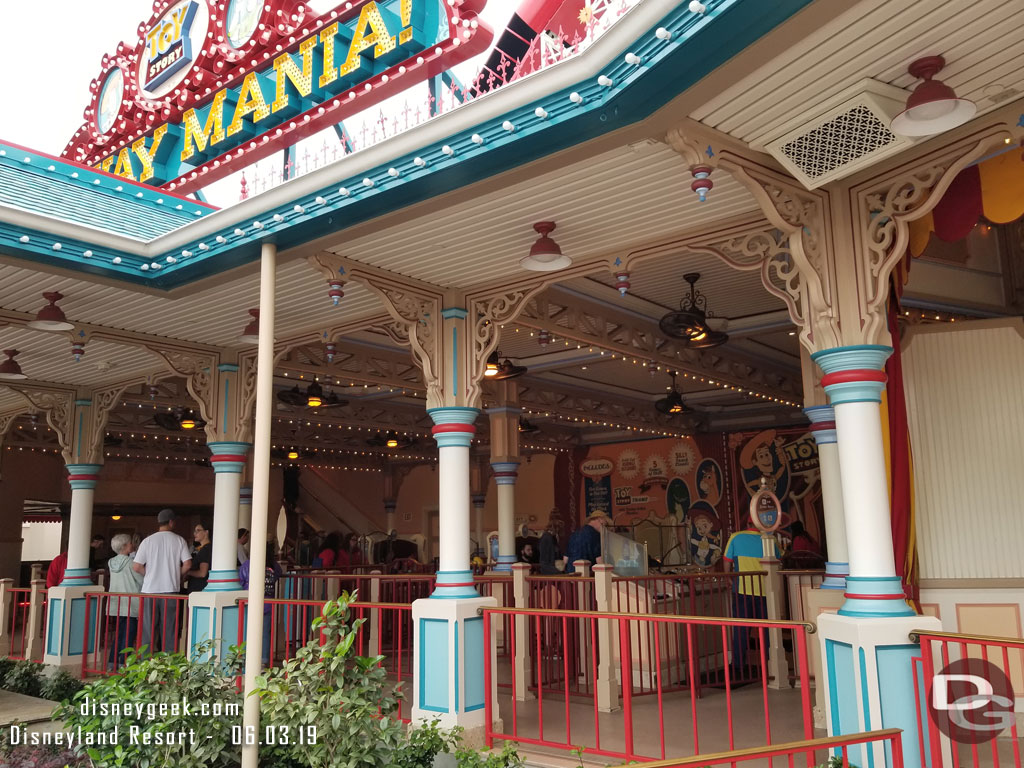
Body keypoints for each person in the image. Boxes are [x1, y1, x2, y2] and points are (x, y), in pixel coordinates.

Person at [723, 515, 780, 676]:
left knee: (740, 629)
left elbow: (727, 560)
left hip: (742, 590)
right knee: (768, 630)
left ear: (747, 523)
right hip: (765, 591)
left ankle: (738, 666)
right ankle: (771, 664)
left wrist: (728, 578)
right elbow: (779, 560)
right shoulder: (770, 540)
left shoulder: (736, 537)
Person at [133, 509, 192, 653]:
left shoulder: (148, 541)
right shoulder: (179, 540)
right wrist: (176, 575)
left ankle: (145, 663)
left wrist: (150, 574)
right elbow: (188, 564)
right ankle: (168, 662)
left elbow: (136, 566)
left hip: (149, 590)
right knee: (169, 628)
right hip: (170, 590)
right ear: (171, 522)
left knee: (148, 628)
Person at [239, 541, 282, 666]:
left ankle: (247, 658)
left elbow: (241, 579)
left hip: (250, 603)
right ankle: (263, 660)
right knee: (265, 633)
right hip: (268, 603)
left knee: (248, 631)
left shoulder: (248, 564)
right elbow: (278, 575)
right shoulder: (273, 565)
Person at [107, 533, 144, 669]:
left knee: (119, 633)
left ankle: (112, 661)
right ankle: (124, 663)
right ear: (125, 546)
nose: (132, 545)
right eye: (129, 543)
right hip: (131, 603)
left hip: (117, 603)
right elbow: (140, 580)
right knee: (129, 634)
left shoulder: (111, 562)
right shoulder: (131, 563)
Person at [185, 520, 212, 593]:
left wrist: (187, 572)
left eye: (198, 531)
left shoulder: (206, 549)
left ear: (206, 532)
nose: (195, 533)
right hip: (195, 588)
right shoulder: (199, 549)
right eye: (194, 531)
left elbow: (203, 573)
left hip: (200, 588)